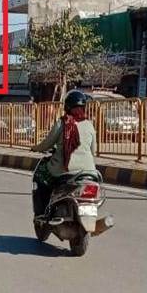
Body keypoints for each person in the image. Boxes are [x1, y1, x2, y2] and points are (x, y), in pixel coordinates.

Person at [30, 90, 98, 219]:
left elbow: (47, 144)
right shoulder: (89, 125)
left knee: (41, 177)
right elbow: (93, 151)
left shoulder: (62, 123)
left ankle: (42, 213)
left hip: (65, 171)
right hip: (89, 171)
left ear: (66, 107)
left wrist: (35, 148)